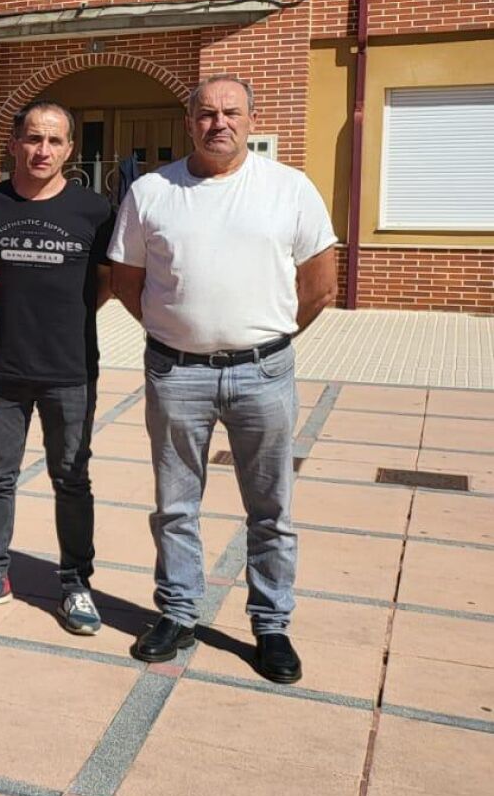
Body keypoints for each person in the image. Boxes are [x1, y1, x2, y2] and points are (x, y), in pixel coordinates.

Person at [109, 75, 337, 685]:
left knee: (270, 507)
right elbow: (127, 283)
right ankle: (178, 613)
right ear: (189, 123)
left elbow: (320, 285)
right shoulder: (152, 191)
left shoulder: (289, 188)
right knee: (175, 505)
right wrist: (178, 329)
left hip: (264, 372)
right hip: (175, 372)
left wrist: (265, 336)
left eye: (231, 112)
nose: (219, 123)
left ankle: (271, 625)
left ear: (251, 120)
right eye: (207, 113)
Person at [0, 103, 113, 635]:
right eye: (32, 139)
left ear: (70, 149)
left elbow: (104, 285)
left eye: (54, 141)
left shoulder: (95, 211)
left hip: (70, 371)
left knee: (71, 478)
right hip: (2, 371)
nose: (42, 150)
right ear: (14, 144)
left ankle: (75, 583)